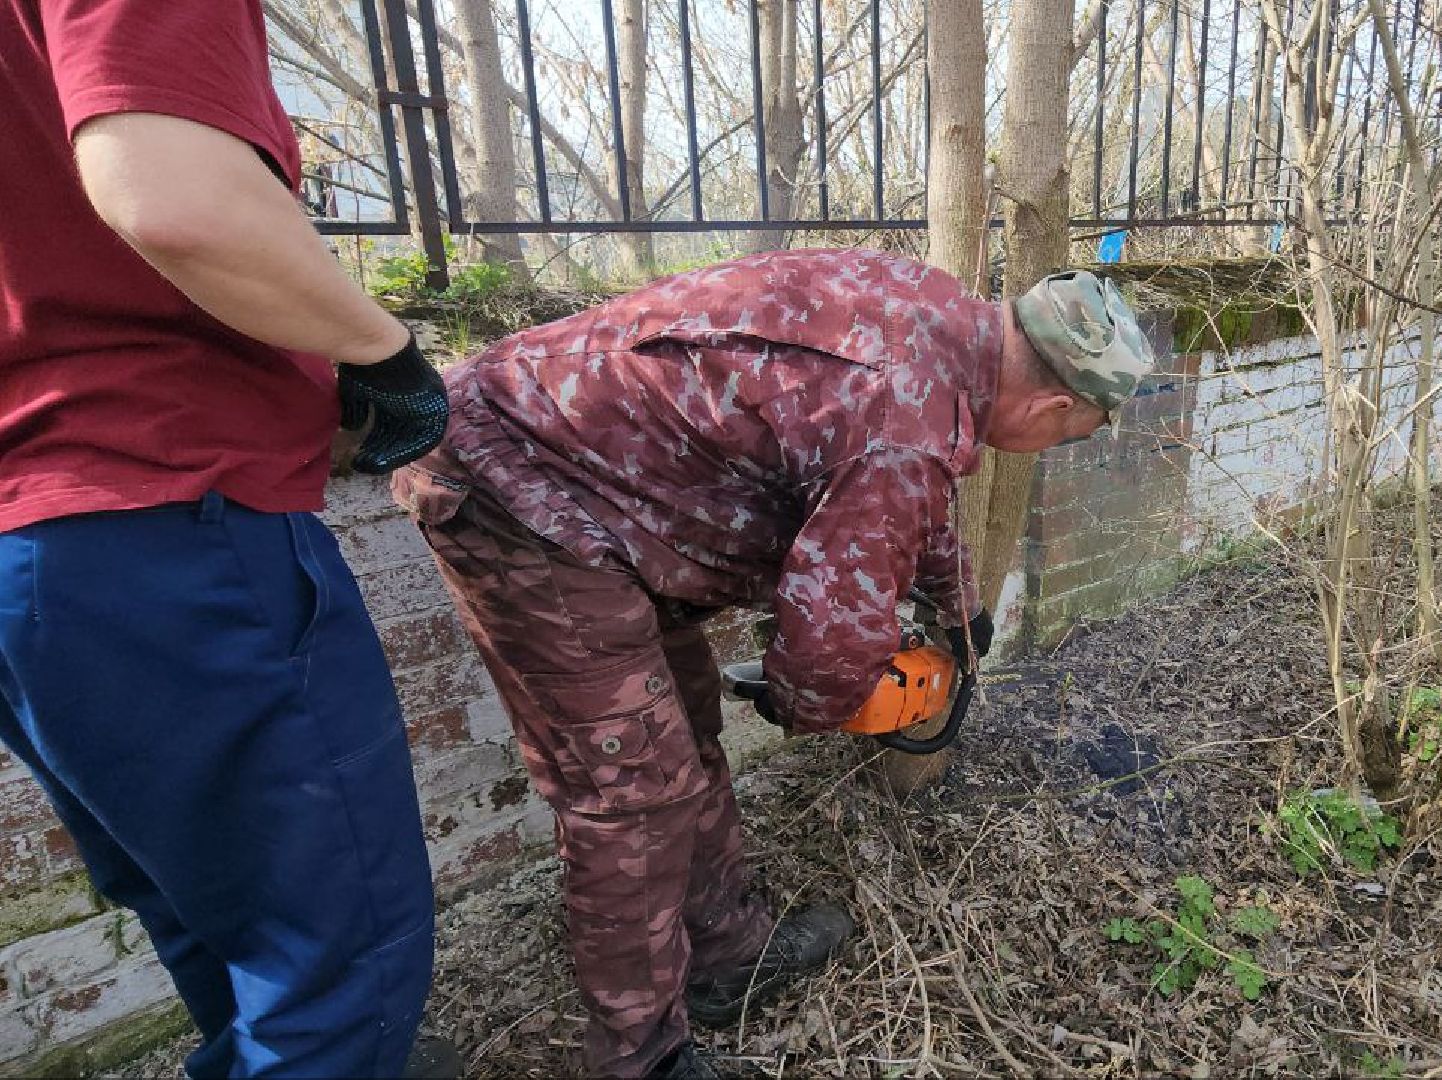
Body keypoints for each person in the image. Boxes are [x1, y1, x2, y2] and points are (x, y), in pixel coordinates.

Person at [392, 249, 1152, 1078]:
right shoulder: (906, 417)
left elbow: (903, 473)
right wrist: (807, 700)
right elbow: (831, 639)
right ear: (1048, 405)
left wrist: (956, 601)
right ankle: (640, 1058)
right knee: (632, 788)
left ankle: (728, 956)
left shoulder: (931, 311)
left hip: (608, 496)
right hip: (515, 484)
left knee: (683, 733)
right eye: (1069, 434)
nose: (1049, 447)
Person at [0, 1, 454, 1075]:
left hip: (32, 538)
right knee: (346, 969)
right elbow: (176, 198)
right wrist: (384, 355)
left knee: (214, 919)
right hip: (165, 512)